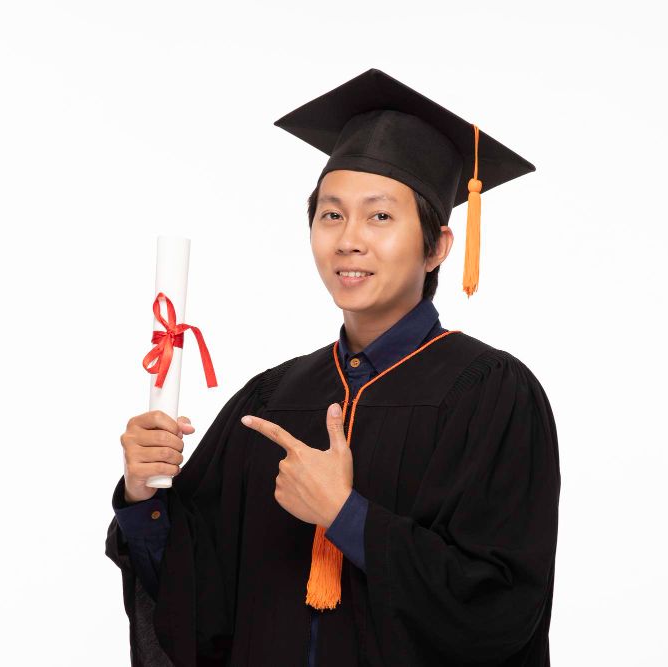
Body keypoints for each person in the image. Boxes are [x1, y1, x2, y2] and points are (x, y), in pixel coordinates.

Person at [105, 68, 561, 667]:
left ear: (437, 246)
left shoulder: (491, 395)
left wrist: (347, 518)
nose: (348, 241)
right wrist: (145, 492)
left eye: (379, 217)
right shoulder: (270, 400)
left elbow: (502, 608)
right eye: (330, 215)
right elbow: (196, 599)